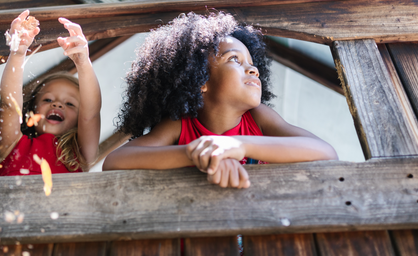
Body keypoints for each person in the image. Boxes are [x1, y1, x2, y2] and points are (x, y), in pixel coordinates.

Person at [103, 12, 337, 188]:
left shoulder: (259, 118)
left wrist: (237, 146)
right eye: (234, 59)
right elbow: (114, 161)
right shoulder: (180, 126)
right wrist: (198, 153)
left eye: (252, 64)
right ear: (200, 80)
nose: (252, 70)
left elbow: (325, 152)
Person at [0, 10, 101, 177]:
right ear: (32, 109)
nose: (57, 104)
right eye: (48, 99)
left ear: (80, 120)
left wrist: (83, 62)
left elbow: (91, 113)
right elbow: (10, 104)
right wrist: (17, 53)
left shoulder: (79, 155)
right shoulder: (14, 145)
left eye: (70, 104)